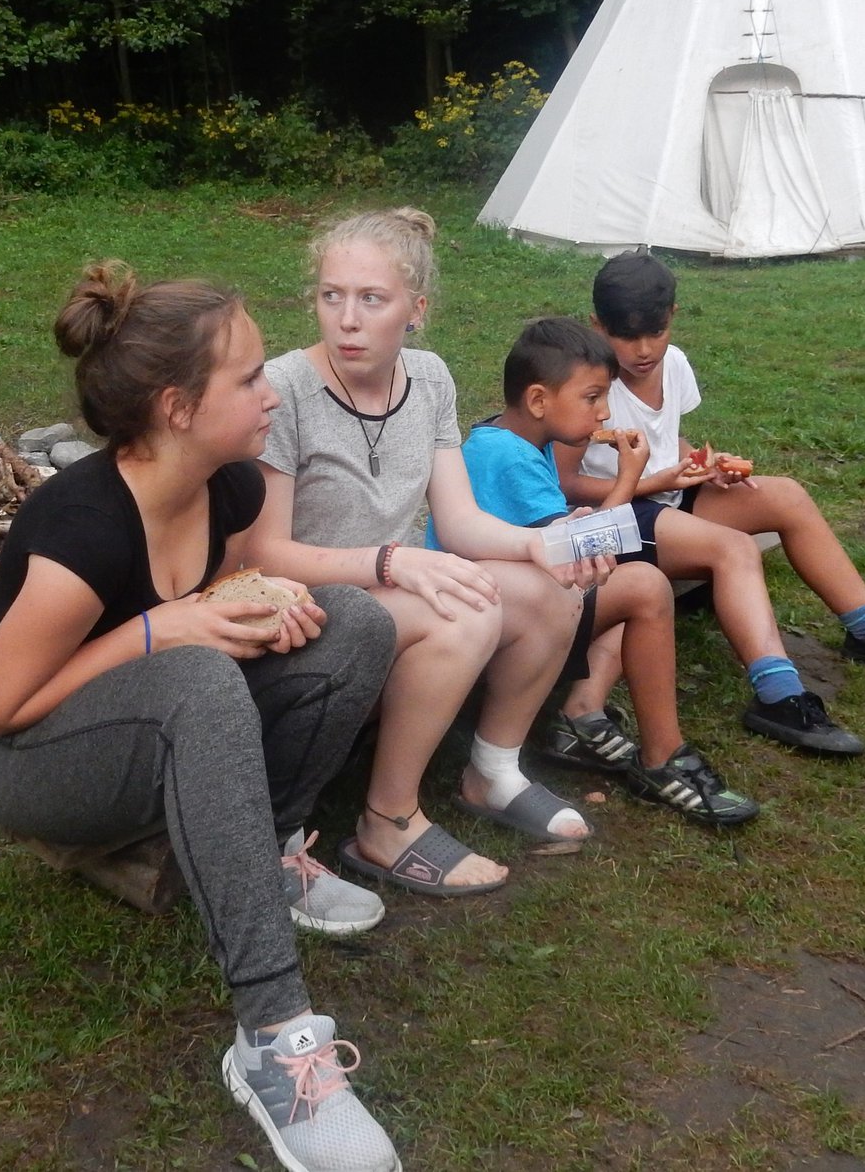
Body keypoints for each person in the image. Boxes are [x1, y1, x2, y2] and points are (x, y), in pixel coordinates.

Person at [0, 261, 402, 1172]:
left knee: (355, 624)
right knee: (195, 676)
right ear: (178, 407)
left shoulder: (230, 487)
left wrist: (264, 606)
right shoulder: (82, 527)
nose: (273, 391)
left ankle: (265, 855)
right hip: (30, 761)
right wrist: (164, 629)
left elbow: (221, 593)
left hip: (150, 721)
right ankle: (273, 1041)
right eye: (249, 378)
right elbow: (0, 710)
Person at [245, 207, 608, 899]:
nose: (347, 320)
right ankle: (387, 822)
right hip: (307, 612)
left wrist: (540, 543)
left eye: (371, 300)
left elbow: (460, 521)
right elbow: (264, 555)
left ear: (416, 310)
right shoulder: (284, 389)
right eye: (331, 296)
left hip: (394, 588)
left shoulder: (431, 378)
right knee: (463, 612)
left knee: (550, 589)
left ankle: (492, 772)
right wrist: (390, 561)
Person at [554, 250, 865, 756]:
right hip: (617, 515)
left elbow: (668, 441)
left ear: (673, 317)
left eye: (655, 333)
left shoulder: (673, 363)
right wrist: (649, 481)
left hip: (667, 496)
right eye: (625, 336)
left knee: (787, 495)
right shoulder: (591, 386)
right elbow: (566, 483)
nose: (643, 350)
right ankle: (779, 695)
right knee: (735, 549)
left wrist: (704, 463)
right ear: (598, 325)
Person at [428, 316, 759, 825]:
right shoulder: (507, 457)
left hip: (519, 599)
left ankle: (582, 714)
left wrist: (655, 481)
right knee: (644, 587)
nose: (604, 412)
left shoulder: (513, 438)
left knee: (638, 579)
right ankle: (663, 757)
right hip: (492, 618)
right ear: (539, 401)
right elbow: (585, 553)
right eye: (592, 397)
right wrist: (629, 477)